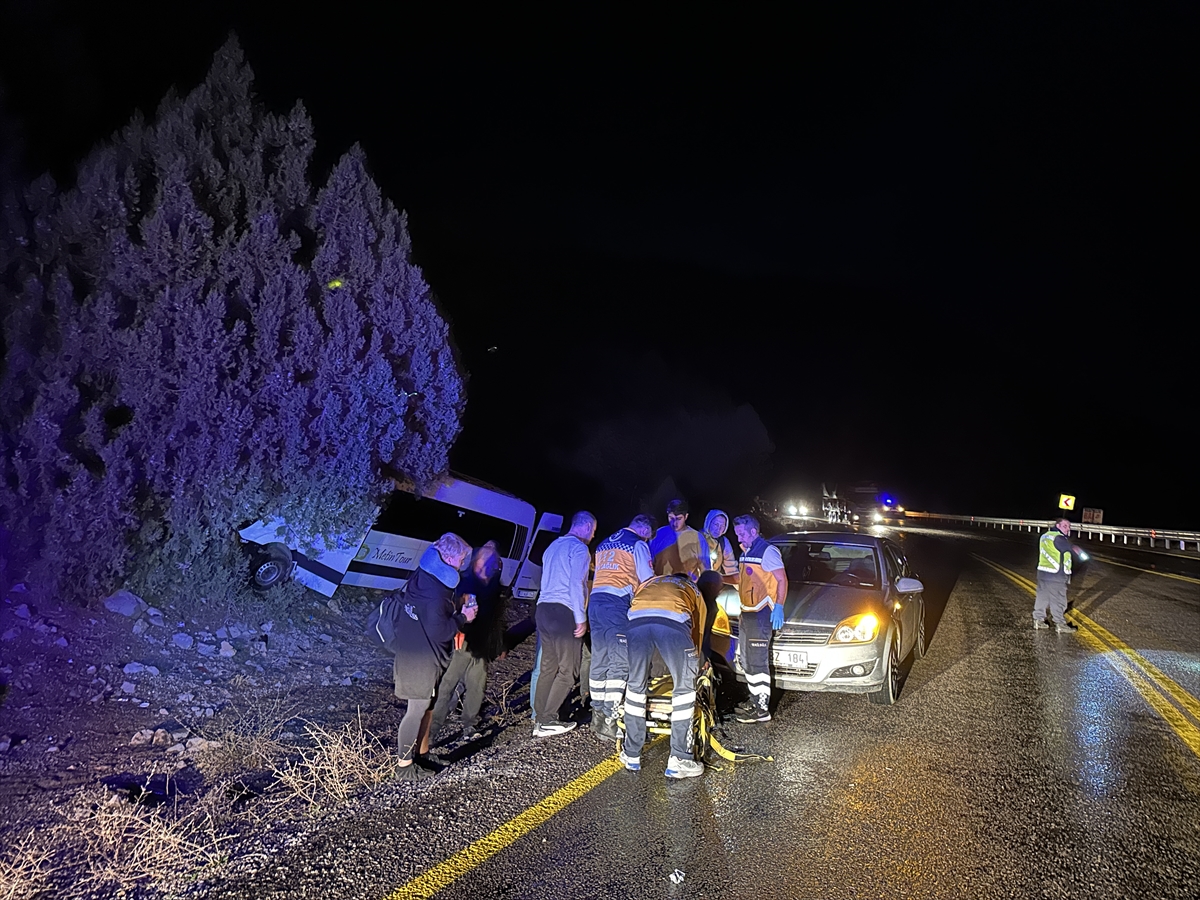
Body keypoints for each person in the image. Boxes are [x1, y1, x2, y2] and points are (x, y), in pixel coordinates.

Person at [388, 533, 476, 780]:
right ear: (448, 558)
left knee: (426, 707)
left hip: (414, 649)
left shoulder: (425, 576)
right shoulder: (436, 592)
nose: (462, 565)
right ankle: (404, 767)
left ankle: (423, 753)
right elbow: (440, 631)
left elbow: (431, 614)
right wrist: (463, 618)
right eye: (460, 559)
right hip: (420, 657)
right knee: (416, 709)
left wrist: (458, 602)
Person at [620, 573, 708, 779]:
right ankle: (680, 758)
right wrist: (694, 661)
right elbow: (698, 630)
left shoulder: (651, 581)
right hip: (674, 621)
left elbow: (636, 605)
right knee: (684, 690)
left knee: (635, 686)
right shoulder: (693, 589)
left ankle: (631, 753)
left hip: (635, 621)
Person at [587, 514, 655, 742]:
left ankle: (596, 715)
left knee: (600, 657)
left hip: (595, 602)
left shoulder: (605, 542)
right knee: (621, 661)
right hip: (617, 603)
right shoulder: (638, 544)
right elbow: (647, 581)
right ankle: (610, 718)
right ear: (646, 531)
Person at [428, 542, 505, 744]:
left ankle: (469, 725)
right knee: (447, 686)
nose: (487, 564)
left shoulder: (495, 586)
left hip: (481, 646)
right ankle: (432, 731)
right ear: (475, 561)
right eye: (484, 558)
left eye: (491, 560)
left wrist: (498, 646)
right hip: (462, 644)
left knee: (477, 687)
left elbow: (496, 620)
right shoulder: (465, 583)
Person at [532, 510, 597, 737]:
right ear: (587, 527)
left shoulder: (553, 547)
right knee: (568, 671)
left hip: (543, 608)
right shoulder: (580, 549)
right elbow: (576, 585)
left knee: (549, 667)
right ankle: (548, 719)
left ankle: (539, 716)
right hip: (564, 612)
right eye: (593, 532)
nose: (592, 537)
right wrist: (581, 618)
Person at [732, 514, 788, 724]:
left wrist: (779, 606)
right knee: (747, 660)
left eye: (742, 533)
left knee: (757, 662)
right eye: (737, 533)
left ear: (753, 532)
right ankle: (755, 700)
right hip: (747, 612)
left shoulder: (767, 551)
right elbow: (743, 580)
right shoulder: (746, 551)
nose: (739, 537)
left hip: (761, 612)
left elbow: (781, 579)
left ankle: (762, 709)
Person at [697, 509, 739, 659]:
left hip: (711, 591)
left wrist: (740, 590)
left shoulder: (723, 543)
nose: (718, 528)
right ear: (709, 522)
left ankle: (705, 658)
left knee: (710, 619)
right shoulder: (696, 538)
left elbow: (731, 567)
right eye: (716, 524)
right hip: (694, 589)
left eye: (722, 525)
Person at [1033, 517, 1083, 633]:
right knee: (1059, 599)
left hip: (1043, 572)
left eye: (1069, 526)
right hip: (1056, 575)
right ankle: (1060, 623)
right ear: (1058, 526)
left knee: (1042, 597)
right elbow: (1069, 548)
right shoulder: (1059, 538)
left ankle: (1038, 620)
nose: (1068, 529)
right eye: (1065, 526)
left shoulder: (1045, 536)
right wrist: (1078, 551)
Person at [649, 498, 708, 579]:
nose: (675, 523)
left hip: (686, 587)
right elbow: (649, 563)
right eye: (671, 518)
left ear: (686, 516)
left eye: (679, 519)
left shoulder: (697, 538)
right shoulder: (658, 534)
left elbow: (705, 569)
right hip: (661, 585)